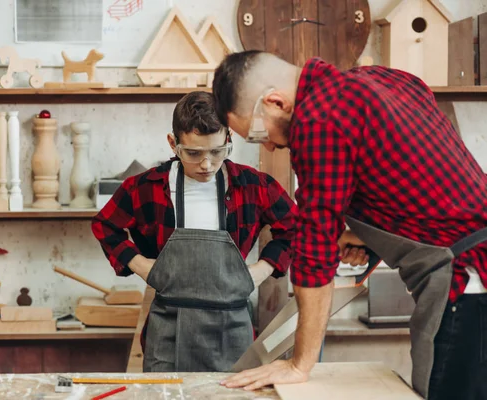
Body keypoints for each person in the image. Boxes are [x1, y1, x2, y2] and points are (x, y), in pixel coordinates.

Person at [211, 50, 487, 400]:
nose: (269, 145)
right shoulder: (383, 80)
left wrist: (299, 364)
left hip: (468, 280)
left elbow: (315, 246)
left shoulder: (318, 119)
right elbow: (416, 182)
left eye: (257, 134)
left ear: (276, 102)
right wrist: (371, 240)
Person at [91, 91, 367, 373]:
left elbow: (296, 229)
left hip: (232, 327)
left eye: (217, 151)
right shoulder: (145, 187)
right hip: (168, 327)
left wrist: (262, 268)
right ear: (173, 144)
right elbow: (105, 225)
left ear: (228, 140)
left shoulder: (253, 186)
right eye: (193, 153)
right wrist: (143, 266)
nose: (207, 164)